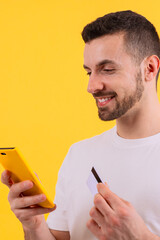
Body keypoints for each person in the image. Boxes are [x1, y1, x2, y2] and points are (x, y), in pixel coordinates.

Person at [1, 10, 160, 240]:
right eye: (89, 71)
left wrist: (141, 237)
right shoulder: (79, 154)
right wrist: (33, 225)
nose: (92, 86)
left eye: (107, 69)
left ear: (150, 69)